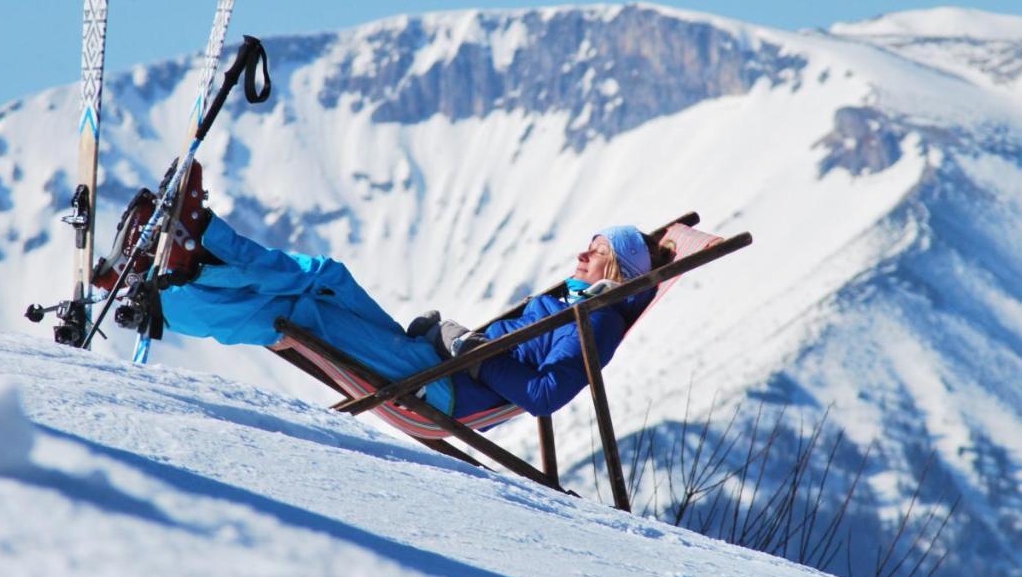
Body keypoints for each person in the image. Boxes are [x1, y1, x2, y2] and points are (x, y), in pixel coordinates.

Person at [102, 162, 673, 421]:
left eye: (593, 252)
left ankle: (166, 299)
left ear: (617, 269)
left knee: (301, 317)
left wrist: (471, 356)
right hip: (432, 362)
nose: (579, 255)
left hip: (443, 392)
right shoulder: (573, 301)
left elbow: (545, 396)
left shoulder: (594, 321)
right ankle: (199, 247)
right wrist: (460, 346)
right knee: (328, 276)